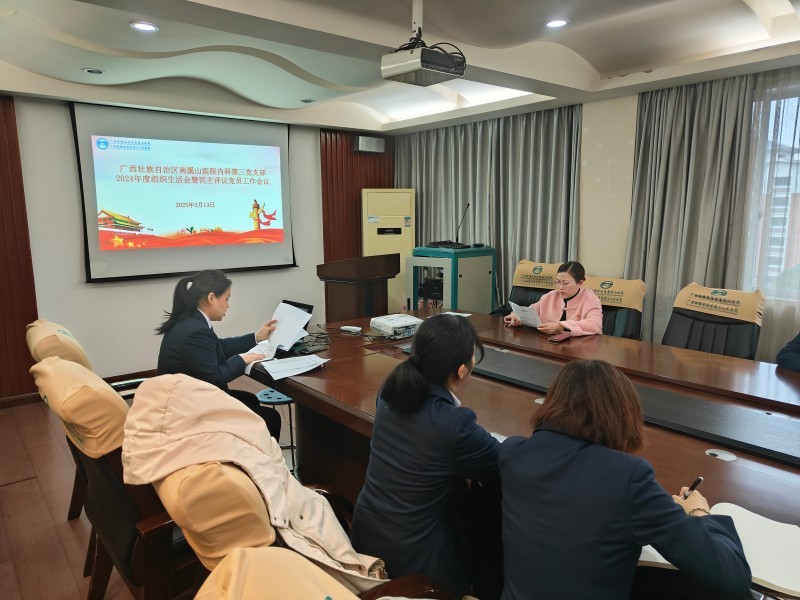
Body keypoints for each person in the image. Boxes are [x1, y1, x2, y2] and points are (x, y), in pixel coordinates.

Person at [499, 360, 751, 600]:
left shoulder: (513, 454)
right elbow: (732, 575)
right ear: (620, 414)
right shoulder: (628, 479)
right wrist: (698, 511)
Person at [350, 314, 502, 599]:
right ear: (462, 371)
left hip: (366, 535)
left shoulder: (390, 392)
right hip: (416, 562)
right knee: (487, 511)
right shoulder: (454, 425)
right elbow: (502, 462)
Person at [156, 269, 281, 439]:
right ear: (211, 297)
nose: (228, 305)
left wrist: (256, 337)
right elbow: (214, 378)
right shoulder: (196, 330)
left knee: (250, 399)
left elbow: (217, 346)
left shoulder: (190, 320)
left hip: (186, 399)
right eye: (226, 299)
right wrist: (241, 359)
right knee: (271, 418)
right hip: (190, 411)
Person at [504, 260, 602, 336]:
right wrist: (516, 317)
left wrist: (561, 326)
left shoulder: (590, 298)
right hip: (548, 344)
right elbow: (530, 311)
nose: (560, 287)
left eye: (565, 283)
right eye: (558, 282)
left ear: (580, 283)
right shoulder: (551, 296)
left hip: (579, 348)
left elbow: (595, 324)